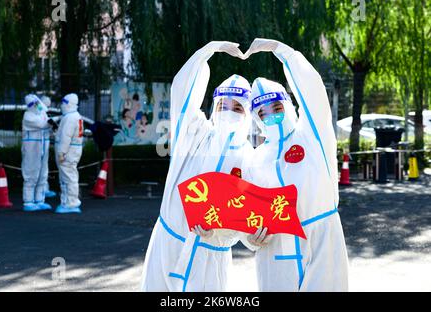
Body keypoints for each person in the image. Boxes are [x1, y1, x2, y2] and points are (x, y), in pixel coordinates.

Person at [141, 41, 256, 292]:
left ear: (248, 113)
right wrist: (206, 52)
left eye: (237, 107)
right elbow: (183, 95)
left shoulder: (251, 159)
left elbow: (247, 214)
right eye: (223, 105)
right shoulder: (196, 135)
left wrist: (219, 232)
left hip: (210, 256)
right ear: (214, 107)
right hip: (171, 244)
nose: (229, 111)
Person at [242, 39, 349, 291]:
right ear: (256, 120)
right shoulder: (255, 159)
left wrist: (283, 52)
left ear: (288, 105)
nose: (270, 114)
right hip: (275, 257)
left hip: (321, 245)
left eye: (276, 106)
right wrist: (251, 239)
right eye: (262, 112)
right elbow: (246, 214)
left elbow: (313, 92)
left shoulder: (312, 136)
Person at [21, 94, 55, 212]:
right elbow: (42, 124)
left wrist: (51, 123)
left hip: (42, 150)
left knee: (42, 174)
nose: (36, 106)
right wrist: (51, 122)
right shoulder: (28, 116)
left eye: (36, 104)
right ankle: (28, 201)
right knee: (31, 174)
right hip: (32, 150)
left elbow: (47, 123)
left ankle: (40, 200)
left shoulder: (42, 114)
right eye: (34, 104)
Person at [54, 93, 84, 214]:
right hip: (73, 151)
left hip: (68, 152)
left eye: (64, 103)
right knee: (70, 176)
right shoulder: (75, 116)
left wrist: (61, 152)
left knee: (68, 178)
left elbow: (66, 137)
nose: (62, 105)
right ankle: (70, 202)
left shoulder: (70, 118)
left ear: (69, 104)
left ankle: (70, 203)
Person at [40, 95, 58, 198]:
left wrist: (52, 128)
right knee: (40, 168)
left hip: (43, 144)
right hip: (39, 145)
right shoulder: (39, 115)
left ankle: (44, 188)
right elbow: (42, 126)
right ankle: (41, 190)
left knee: (44, 168)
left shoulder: (44, 114)